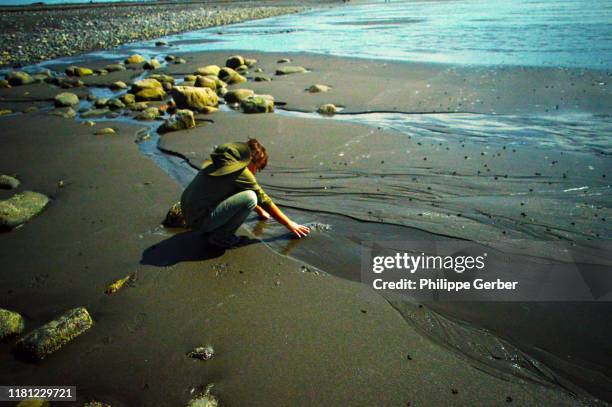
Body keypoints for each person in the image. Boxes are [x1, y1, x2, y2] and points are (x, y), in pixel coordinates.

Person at [180, 139, 310, 248]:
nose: (254, 173)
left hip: (188, 212)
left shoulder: (225, 160)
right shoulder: (241, 172)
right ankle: (221, 237)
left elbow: (236, 188)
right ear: (251, 161)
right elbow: (263, 199)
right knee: (250, 198)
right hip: (199, 222)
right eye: (257, 168)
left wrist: (259, 212)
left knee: (244, 193)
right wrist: (289, 224)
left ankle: (212, 228)